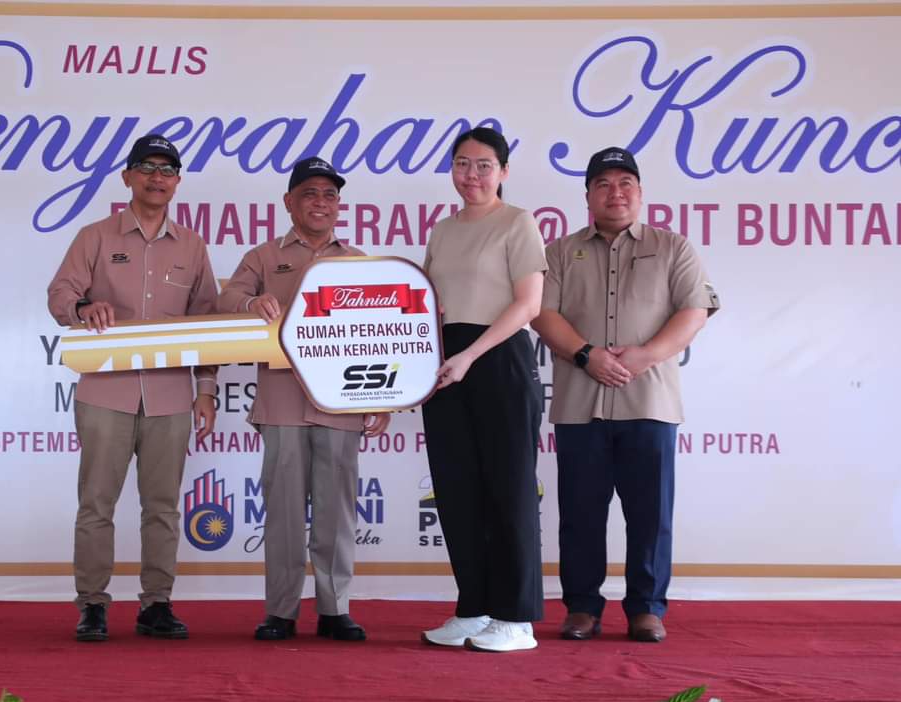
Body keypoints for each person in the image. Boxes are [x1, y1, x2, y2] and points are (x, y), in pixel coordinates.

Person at [531, 146, 720, 643]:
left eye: (625, 184)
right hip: (580, 403)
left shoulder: (673, 247)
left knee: (650, 514)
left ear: (639, 193)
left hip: (649, 401)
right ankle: (582, 608)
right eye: (603, 184)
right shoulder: (559, 252)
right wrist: (586, 354)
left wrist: (645, 355)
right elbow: (542, 313)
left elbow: (694, 311)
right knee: (580, 514)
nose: (615, 193)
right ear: (588, 196)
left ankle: (646, 609)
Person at [47, 134, 219, 642]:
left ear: (177, 182)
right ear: (127, 177)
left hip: (170, 397)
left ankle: (156, 604)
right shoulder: (95, 237)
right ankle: (92, 605)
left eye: (167, 170)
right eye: (147, 167)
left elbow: (208, 323)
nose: (156, 177)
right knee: (96, 505)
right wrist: (82, 308)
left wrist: (206, 389)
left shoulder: (192, 246)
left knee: (162, 507)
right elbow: (60, 293)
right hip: (106, 393)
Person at [218, 157, 390, 642]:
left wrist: (382, 397)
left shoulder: (357, 261)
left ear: (338, 206)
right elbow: (226, 299)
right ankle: (281, 611)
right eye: (310, 193)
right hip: (282, 401)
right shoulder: (263, 256)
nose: (321, 202)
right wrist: (250, 302)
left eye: (330, 195)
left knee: (337, 513)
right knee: (284, 513)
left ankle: (335, 609)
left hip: (342, 402)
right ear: (289, 202)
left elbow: (380, 333)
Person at [419, 127, 547, 653]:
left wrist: (471, 355)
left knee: (509, 490)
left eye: (483, 165)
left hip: (498, 360)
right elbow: (425, 303)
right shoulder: (443, 231)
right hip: (446, 365)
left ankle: (516, 618)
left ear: (504, 171)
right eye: (462, 164)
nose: (471, 175)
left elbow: (529, 304)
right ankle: (473, 608)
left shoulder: (518, 222)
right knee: (457, 491)